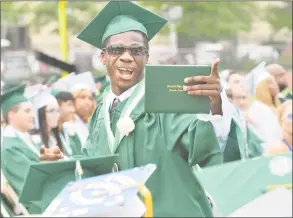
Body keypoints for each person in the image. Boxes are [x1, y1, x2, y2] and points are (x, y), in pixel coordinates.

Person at [39, 1, 243, 217]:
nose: (126, 56)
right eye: (116, 49)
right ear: (103, 57)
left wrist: (215, 107)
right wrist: (62, 162)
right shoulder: (101, 112)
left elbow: (203, 146)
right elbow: (93, 165)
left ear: (146, 57)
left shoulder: (165, 100)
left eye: (136, 50)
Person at [0, 84, 42, 213]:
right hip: (37, 206)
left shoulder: (25, 138)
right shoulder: (9, 148)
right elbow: (29, 186)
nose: (33, 115)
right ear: (11, 115)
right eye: (27, 111)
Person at [70, 72, 97, 145]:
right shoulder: (68, 126)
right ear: (73, 100)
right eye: (82, 97)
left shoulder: (89, 125)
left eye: (90, 98)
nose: (87, 102)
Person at [54, 90, 83, 156]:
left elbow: (81, 155)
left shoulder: (71, 132)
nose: (73, 110)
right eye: (69, 105)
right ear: (57, 106)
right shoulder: (50, 135)